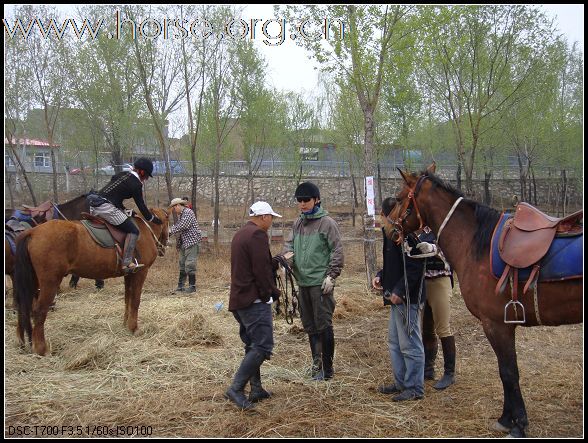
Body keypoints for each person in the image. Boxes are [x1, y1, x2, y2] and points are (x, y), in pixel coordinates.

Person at [283, 181, 344, 381]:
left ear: (316, 200)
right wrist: (285, 261)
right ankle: (316, 364)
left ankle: (328, 369)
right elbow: (289, 246)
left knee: (323, 325)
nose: (302, 204)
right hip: (303, 283)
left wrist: (331, 276)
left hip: (320, 284)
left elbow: (337, 250)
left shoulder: (327, 223)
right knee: (309, 326)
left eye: (306, 200)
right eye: (299, 200)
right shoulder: (298, 223)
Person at [225, 201, 282, 410]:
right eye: (271, 218)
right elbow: (260, 271)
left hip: (240, 300)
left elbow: (254, 265)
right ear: (263, 217)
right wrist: (272, 293)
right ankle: (236, 389)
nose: (272, 221)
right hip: (254, 301)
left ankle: (256, 389)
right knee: (262, 345)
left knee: (251, 344)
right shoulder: (258, 235)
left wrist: (275, 261)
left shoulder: (241, 234)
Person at [372, 197, 426, 401]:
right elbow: (394, 265)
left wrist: (400, 291)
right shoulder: (389, 235)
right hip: (396, 298)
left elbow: (416, 266)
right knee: (395, 342)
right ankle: (401, 383)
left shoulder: (407, 235)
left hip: (408, 299)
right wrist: (381, 276)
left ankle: (414, 388)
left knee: (410, 344)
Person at [86, 157, 162, 274]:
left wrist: (127, 210)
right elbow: (142, 206)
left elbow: (115, 197)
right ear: (142, 172)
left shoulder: (121, 174)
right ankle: (126, 262)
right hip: (106, 207)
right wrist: (153, 219)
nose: (146, 179)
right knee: (133, 230)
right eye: (146, 176)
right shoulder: (136, 184)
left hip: (93, 204)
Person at [417, 226, 457, 390]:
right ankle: (428, 368)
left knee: (443, 327)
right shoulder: (418, 231)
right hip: (421, 281)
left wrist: (433, 248)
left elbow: (452, 251)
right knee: (426, 328)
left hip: (439, 279)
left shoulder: (443, 229)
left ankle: (449, 373)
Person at [168, 197, 202, 294]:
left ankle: (192, 287)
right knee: (182, 264)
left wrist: (170, 231)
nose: (174, 210)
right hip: (185, 242)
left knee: (190, 264)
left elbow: (183, 225)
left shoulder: (188, 212)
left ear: (178, 205)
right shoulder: (182, 215)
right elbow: (179, 225)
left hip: (192, 242)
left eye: (174, 208)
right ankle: (180, 286)